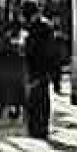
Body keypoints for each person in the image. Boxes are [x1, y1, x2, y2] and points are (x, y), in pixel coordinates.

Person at [22, 11, 55, 139]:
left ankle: (36, 128)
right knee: (42, 99)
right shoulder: (45, 26)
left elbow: (32, 50)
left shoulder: (35, 28)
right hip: (43, 69)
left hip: (36, 69)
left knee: (35, 100)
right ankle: (42, 128)